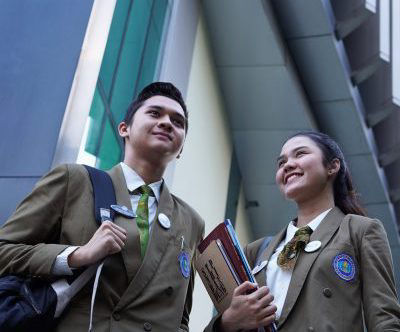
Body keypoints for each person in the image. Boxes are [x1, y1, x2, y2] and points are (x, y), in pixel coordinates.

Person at [0, 82, 205, 332]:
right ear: (124, 129)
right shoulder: (74, 181)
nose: (167, 122)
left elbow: (180, 318)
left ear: (181, 149)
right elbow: (4, 251)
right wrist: (76, 256)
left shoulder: (192, 222)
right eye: (154, 113)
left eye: (178, 121)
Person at [205, 131, 400, 331]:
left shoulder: (360, 230)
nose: (287, 165)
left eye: (300, 154)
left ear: (332, 166)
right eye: (281, 163)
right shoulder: (255, 251)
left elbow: (384, 319)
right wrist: (227, 322)